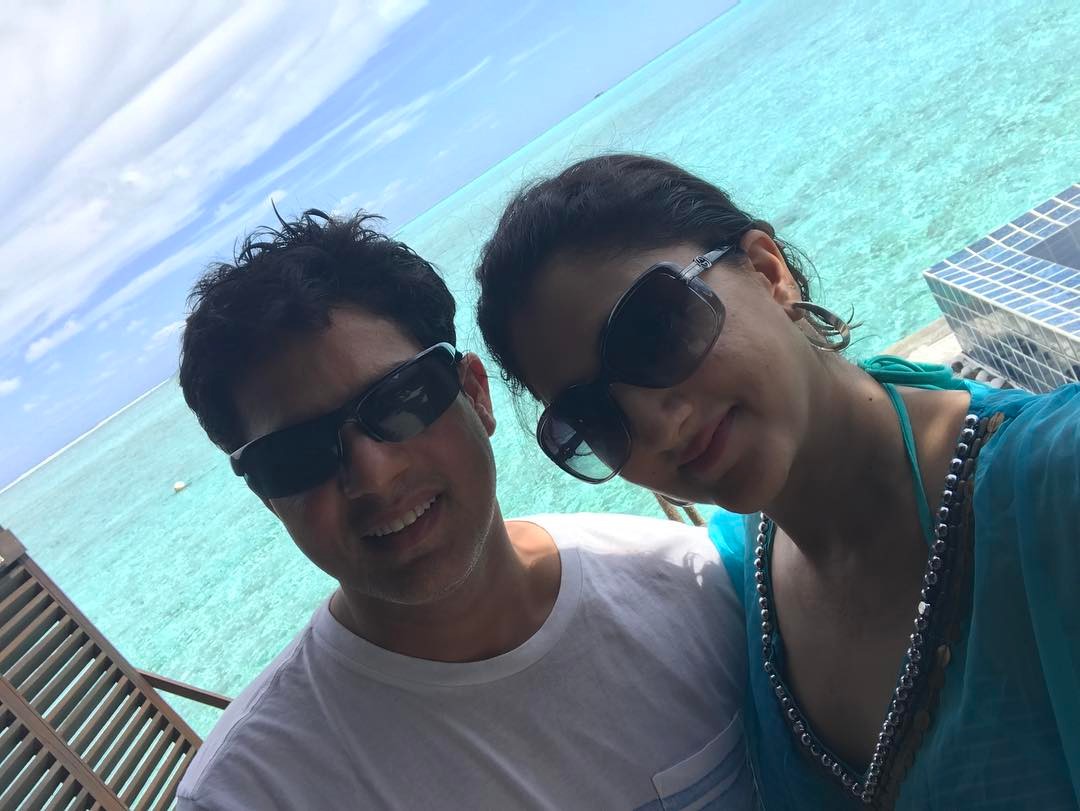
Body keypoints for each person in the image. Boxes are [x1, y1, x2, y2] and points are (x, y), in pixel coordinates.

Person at [474, 154, 1080, 809]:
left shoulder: (1053, 484)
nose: (654, 422)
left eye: (654, 331)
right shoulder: (731, 582)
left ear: (769, 273)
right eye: (593, 416)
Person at [173, 209, 754, 810]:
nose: (374, 476)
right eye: (296, 456)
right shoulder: (251, 794)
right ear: (268, 497)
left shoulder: (697, 585)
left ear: (476, 393)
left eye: (401, 399)